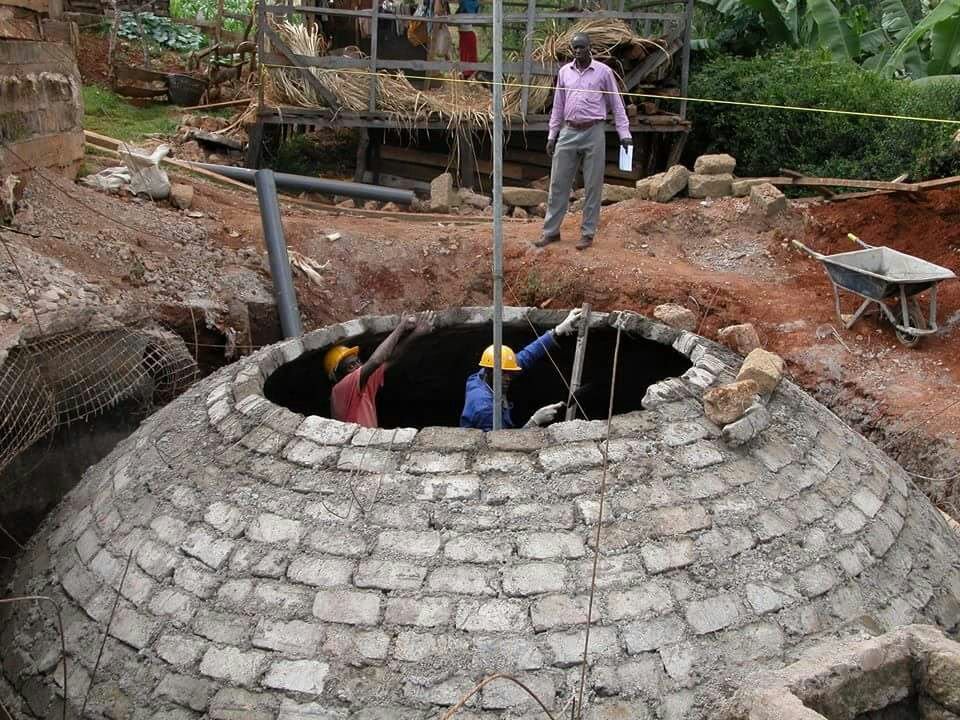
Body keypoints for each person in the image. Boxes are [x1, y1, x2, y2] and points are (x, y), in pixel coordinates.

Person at [535, 33, 633, 252]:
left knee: (592, 185)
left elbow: (616, 105)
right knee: (558, 183)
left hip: (593, 131)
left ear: (590, 48)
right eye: (575, 48)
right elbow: (558, 106)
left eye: (581, 47)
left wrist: (624, 133)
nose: (578, 51)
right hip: (568, 131)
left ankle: (587, 233)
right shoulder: (564, 73)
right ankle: (551, 231)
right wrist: (552, 135)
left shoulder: (603, 73)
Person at [460, 309, 582, 431]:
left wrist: (558, 330)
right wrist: (535, 420)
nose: (508, 378)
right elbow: (502, 445)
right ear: (489, 371)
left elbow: (527, 355)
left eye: (510, 373)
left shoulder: (481, 377)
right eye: (503, 374)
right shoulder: (486, 409)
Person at [324, 312, 434, 428]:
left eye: (358, 362)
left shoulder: (364, 383)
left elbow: (392, 358)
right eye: (350, 366)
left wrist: (416, 334)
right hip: (356, 445)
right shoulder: (340, 390)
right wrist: (400, 328)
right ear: (338, 376)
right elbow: (376, 360)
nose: (358, 367)